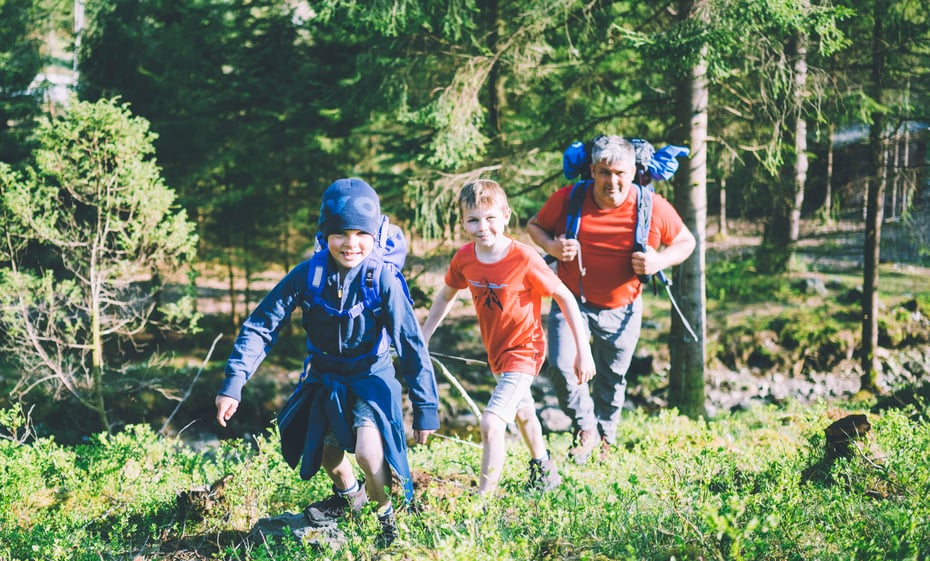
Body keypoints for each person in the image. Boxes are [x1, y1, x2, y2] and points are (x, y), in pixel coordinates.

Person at [215, 178, 440, 547]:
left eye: (360, 234)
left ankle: (385, 519)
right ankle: (350, 496)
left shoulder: (382, 278)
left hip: (371, 376)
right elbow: (261, 326)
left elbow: (411, 344)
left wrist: (425, 406)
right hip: (325, 377)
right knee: (325, 454)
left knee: (368, 451)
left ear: (375, 233)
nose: (351, 244)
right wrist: (233, 382)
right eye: (339, 233)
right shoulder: (308, 274)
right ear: (324, 235)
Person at [526, 135, 696, 464]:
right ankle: (585, 427)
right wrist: (553, 247)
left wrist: (659, 261)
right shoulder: (569, 199)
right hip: (571, 300)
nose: (612, 181)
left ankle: (606, 438)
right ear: (592, 170)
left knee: (612, 376)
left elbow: (685, 241)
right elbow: (535, 226)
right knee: (561, 368)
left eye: (620, 173)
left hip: (624, 308)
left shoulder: (652, 207)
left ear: (633, 172)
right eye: (605, 172)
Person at [421, 179, 596, 495]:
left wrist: (583, 351)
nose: (482, 226)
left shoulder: (524, 258)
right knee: (524, 411)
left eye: (490, 218)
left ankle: (483, 504)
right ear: (463, 222)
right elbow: (446, 294)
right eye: (473, 219)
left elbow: (566, 297)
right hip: (496, 352)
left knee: (491, 423)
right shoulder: (464, 258)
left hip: (525, 350)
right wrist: (424, 335)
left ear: (505, 216)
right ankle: (544, 468)